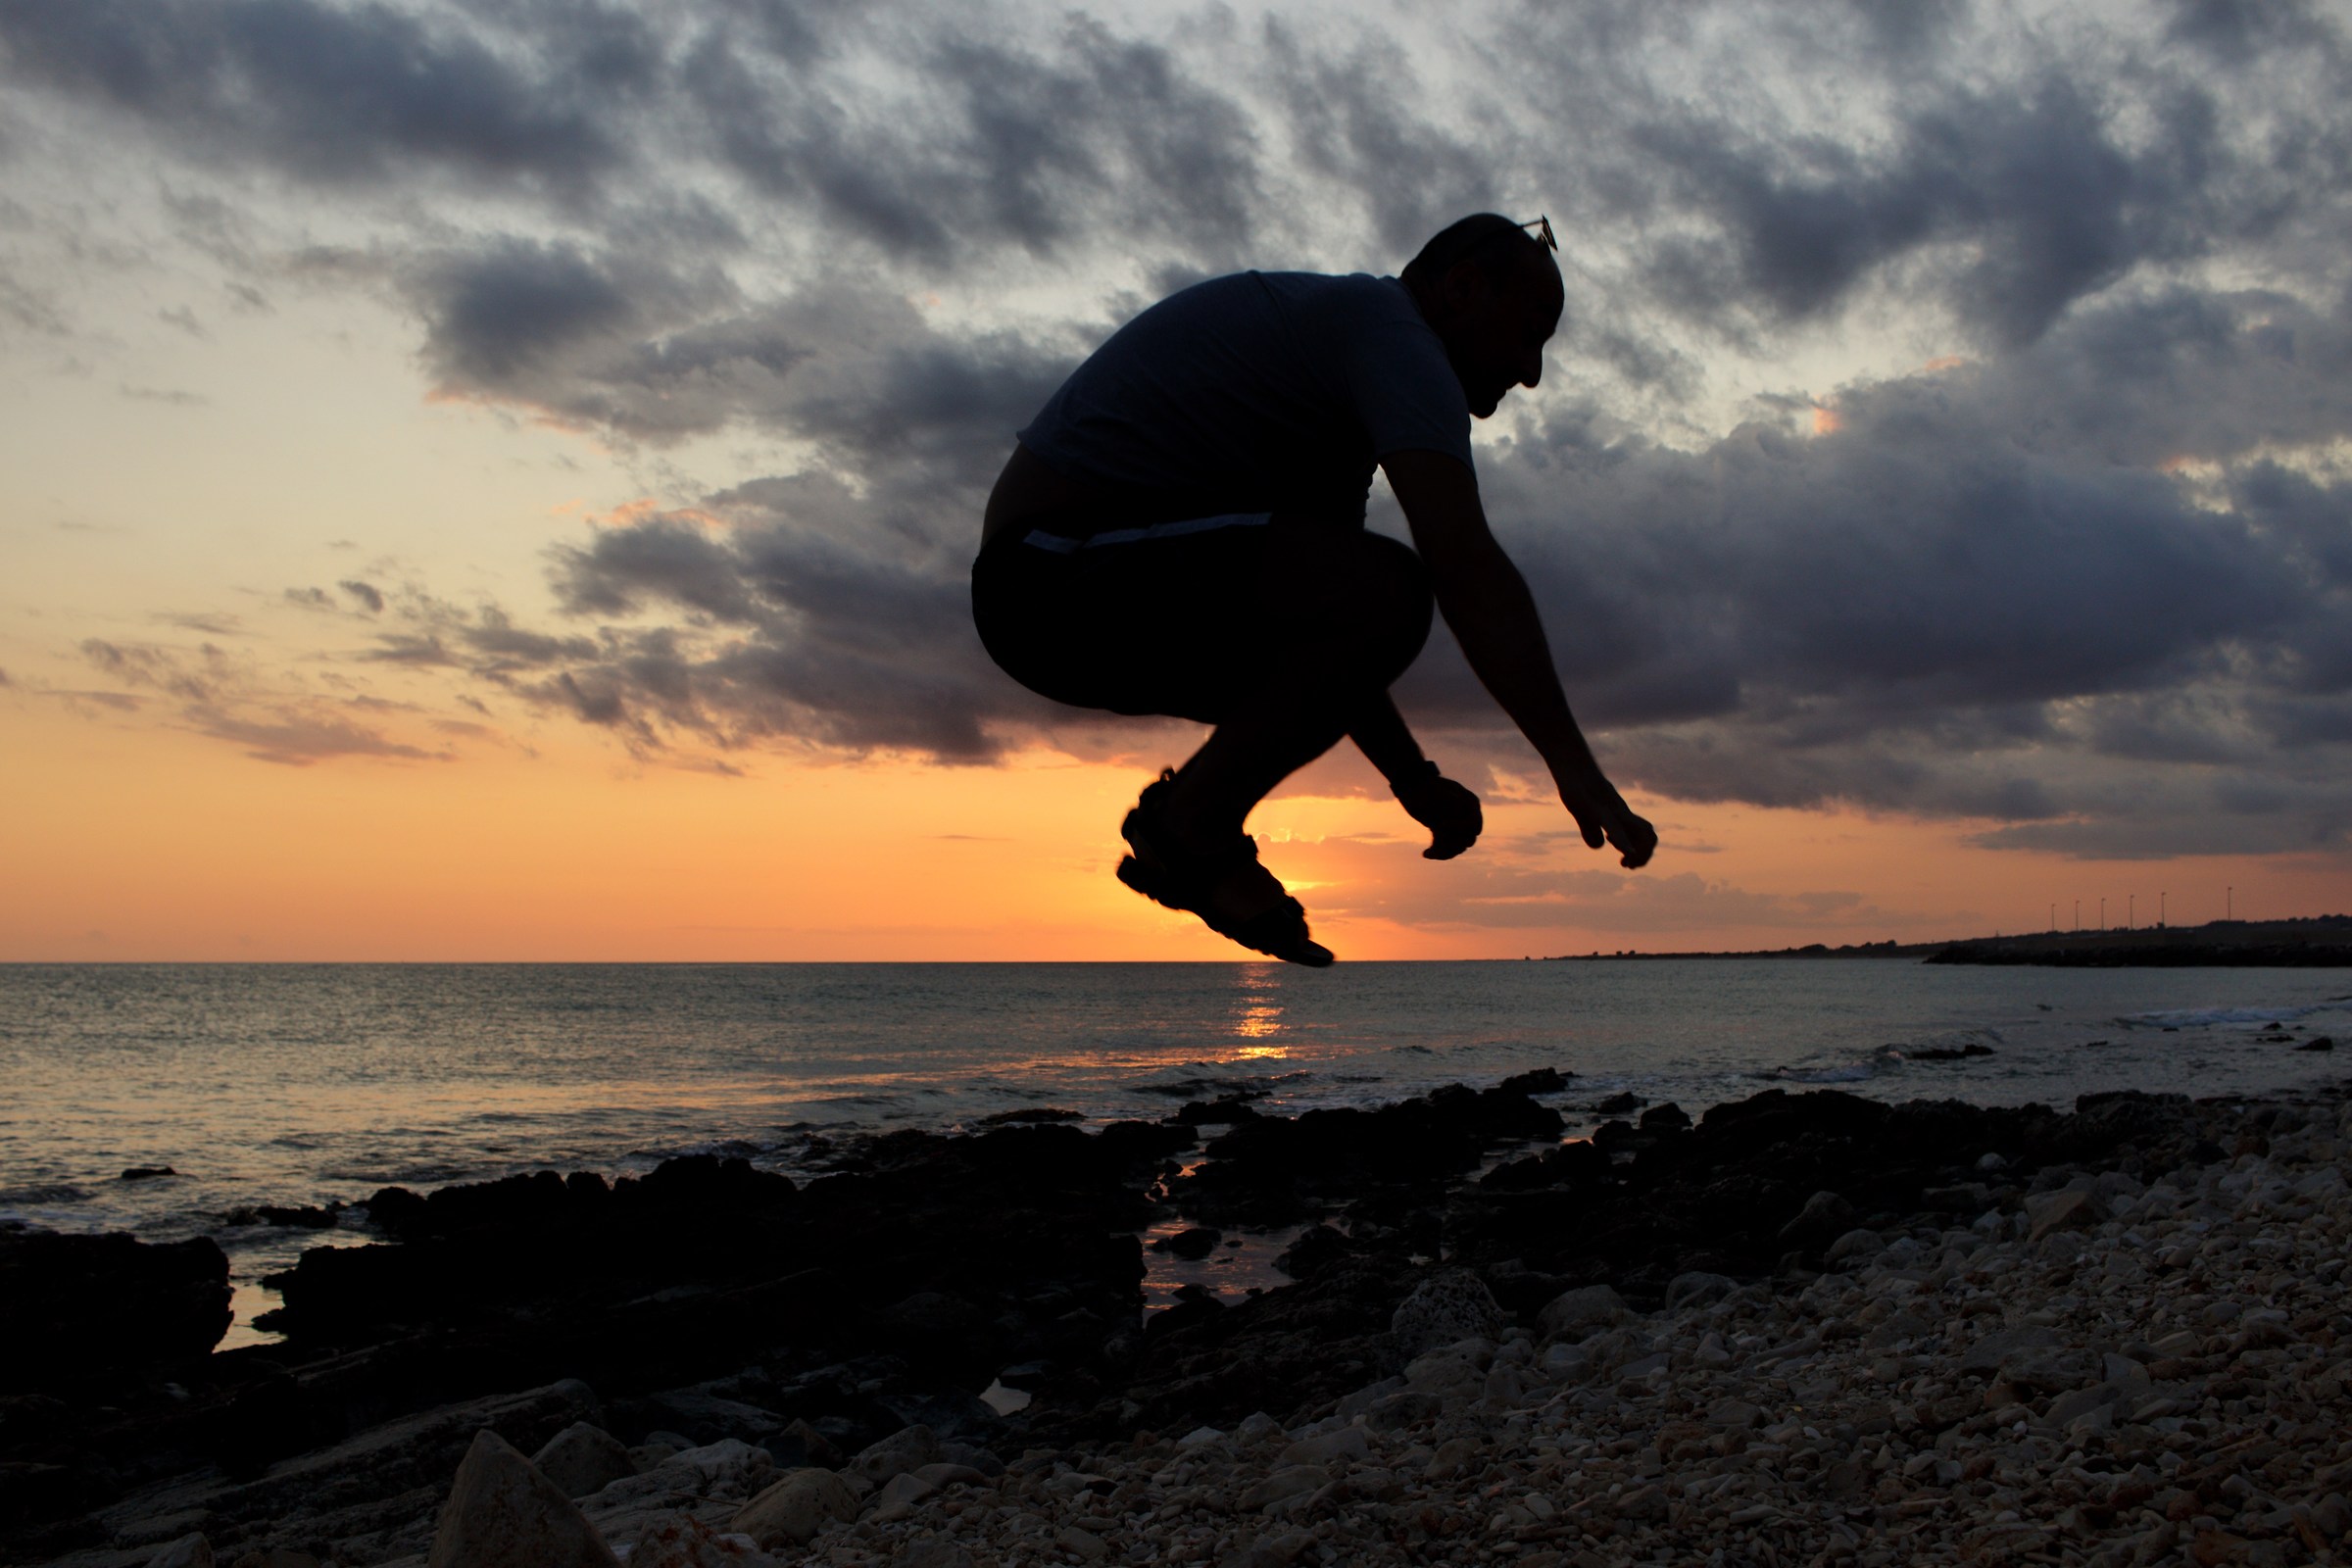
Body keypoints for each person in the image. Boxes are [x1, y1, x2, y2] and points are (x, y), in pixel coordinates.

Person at [971, 213, 1657, 965]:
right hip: (1046, 572)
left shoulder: (1341, 393)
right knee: (1393, 588)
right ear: (1461, 290)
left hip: (1070, 592)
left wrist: (1414, 782)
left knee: (1362, 602)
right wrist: (1572, 765)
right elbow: (1464, 568)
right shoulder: (1394, 335)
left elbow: (1337, 639)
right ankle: (1189, 829)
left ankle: (1192, 831)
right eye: (1530, 333)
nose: (1531, 372)